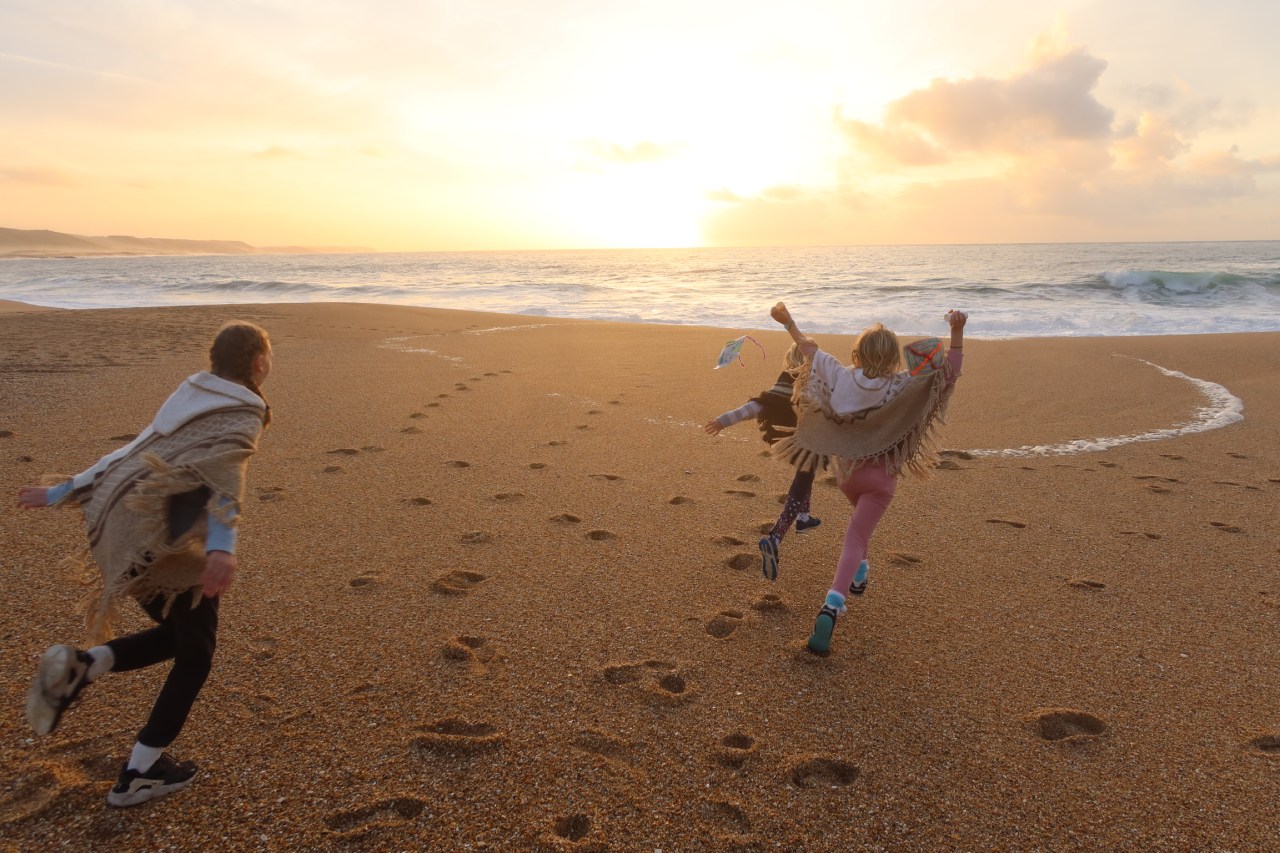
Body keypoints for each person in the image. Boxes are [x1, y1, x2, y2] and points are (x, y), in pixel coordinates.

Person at [18, 321, 273, 807]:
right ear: (260, 362)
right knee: (196, 656)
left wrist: (61, 491)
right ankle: (140, 772)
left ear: (213, 359)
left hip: (125, 528)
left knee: (179, 637)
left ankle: (84, 667)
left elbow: (132, 449)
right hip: (158, 541)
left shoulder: (193, 393)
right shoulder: (242, 409)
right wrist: (221, 548)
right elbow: (226, 477)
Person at [769, 303, 966, 654]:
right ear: (893, 358)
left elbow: (808, 350)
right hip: (880, 480)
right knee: (856, 535)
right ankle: (832, 604)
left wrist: (789, 322)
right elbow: (949, 373)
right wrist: (956, 332)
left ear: (857, 353)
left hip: (848, 475)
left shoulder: (842, 376)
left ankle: (861, 573)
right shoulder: (902, 385)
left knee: (860, 530)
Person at [704, 343, 822, 580]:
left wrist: (722, 421)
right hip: (805, 443)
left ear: (789, 360)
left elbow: (749, 409)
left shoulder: (779, 389)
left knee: (807, 470)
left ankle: (804, 517)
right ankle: (775, 537)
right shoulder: (816, 387)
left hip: (782, 441)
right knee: (805, 473)